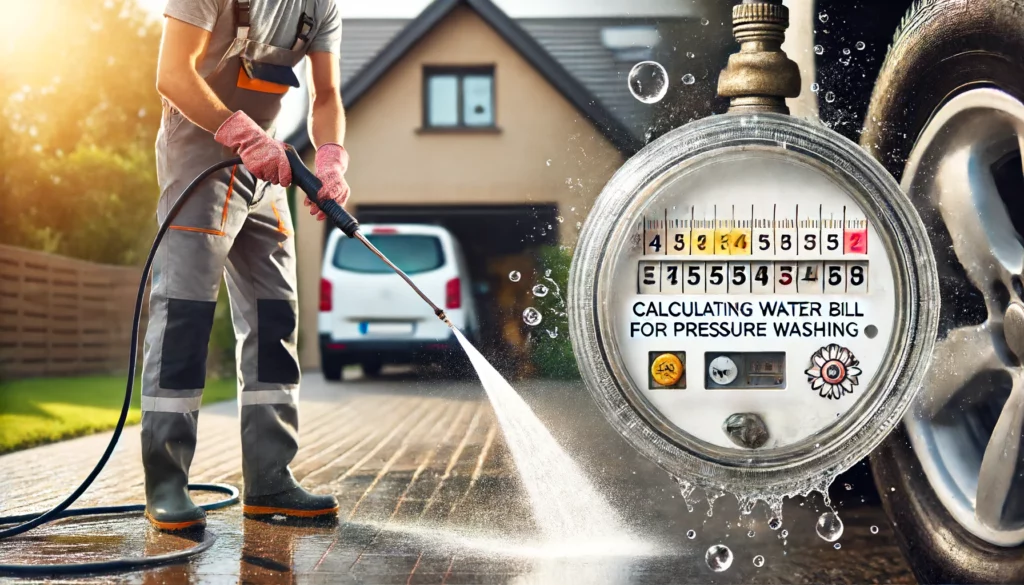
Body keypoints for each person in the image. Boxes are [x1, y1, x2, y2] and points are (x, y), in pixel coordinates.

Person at [143, 0, 349, 532]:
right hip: (199, 154)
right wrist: (241, 135)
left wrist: (331, 156)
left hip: (267, 168)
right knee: (185, 314)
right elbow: (171, 75)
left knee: (275, 316)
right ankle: (166, 483)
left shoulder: (321, 6)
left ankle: (270, 478)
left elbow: (326, 94)